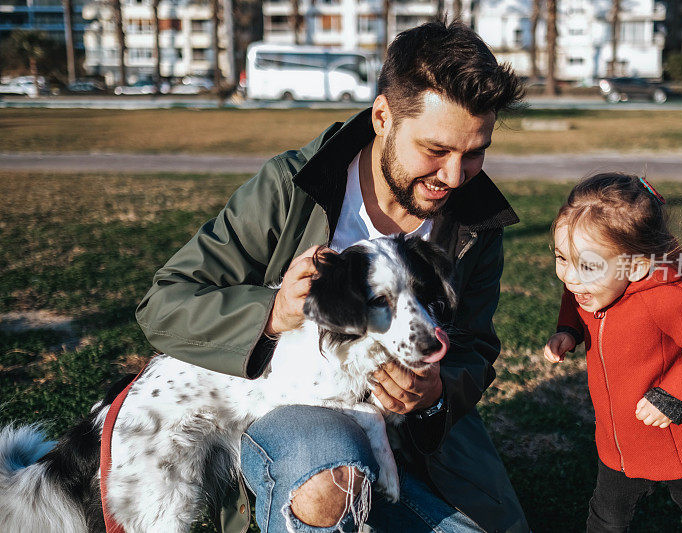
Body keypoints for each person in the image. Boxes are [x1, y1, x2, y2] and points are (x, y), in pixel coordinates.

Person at [136, 20, 530, 533]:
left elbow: (475, 347)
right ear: (383, 116)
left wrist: (436, 394)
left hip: (417, 439)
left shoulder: (476, 221)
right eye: (435, 150)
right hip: (296, 414)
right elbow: (165, 303)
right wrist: (271, 315)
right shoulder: (291, 187)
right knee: (330, 481)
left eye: (474, 152)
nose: (454, 177)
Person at [543, 172, 682, 532]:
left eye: (587, 265)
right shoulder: (594, 286)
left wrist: (674, 397)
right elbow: (575, 300)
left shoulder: (672, 294)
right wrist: (569, 330)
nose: (571, 277)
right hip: (625, 439)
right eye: (562, 258)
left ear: (636, 265)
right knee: (606, 515)